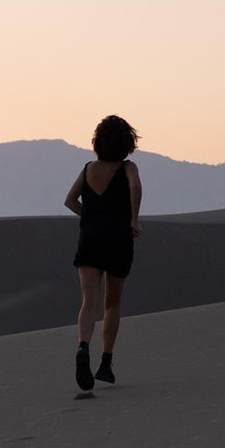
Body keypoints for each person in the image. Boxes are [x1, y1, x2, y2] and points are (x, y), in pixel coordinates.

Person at [64, 117, 141, 396]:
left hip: (90, 240)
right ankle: (105, 363)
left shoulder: (88, 170)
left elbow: (69, 200)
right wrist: (133, 219)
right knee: (112, 304)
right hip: (118, 240)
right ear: (127, 142)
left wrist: (91, 216)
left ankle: (83, 345)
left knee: (88, 302)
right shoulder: (128, 168)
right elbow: (134, 187)